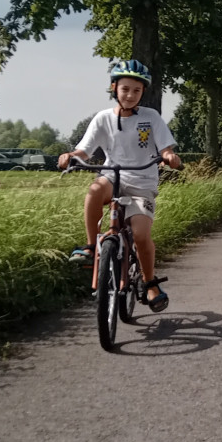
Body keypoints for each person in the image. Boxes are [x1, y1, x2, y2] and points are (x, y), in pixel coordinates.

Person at [58, 59, 182, 312]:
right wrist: (70, 157)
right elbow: (84, 150)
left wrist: (169, 157)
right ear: (114, 88)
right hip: (112, 176)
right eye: (125, 89)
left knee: (140, 235)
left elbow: (165, 147)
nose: (130, 95)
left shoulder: (151, 117)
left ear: (142, 92)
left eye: (136, 90)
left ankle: (150, 283)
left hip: (142, 181)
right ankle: (92, 247)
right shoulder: (103, 119)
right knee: (93, 190)